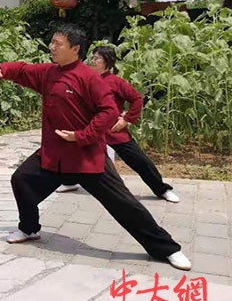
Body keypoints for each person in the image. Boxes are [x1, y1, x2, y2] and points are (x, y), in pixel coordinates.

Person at [0, 24, 190, 270]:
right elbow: (22, 70)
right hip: (54, 154)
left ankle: (167, 249)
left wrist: (82, 136)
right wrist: (2, 70)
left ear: (75, 49)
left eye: (58, 44)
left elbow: (109, 111)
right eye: (52, 42)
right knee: (21, 179)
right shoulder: (49, 73)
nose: (52, 47)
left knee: (125, 205)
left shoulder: (88, 77)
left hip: (86, 157)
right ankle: (29, 229)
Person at [55, 47, 180, 202]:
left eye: (97, 58)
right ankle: (70, 181)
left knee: (139, 160)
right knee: (73, 153)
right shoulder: (86, 78)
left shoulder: (116, 82)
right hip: (91, 129)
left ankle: (161, 189)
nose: (92, 61)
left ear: (107, 62)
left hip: (114, 130)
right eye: (92, 58)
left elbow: (137, 99)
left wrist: (126, 119)